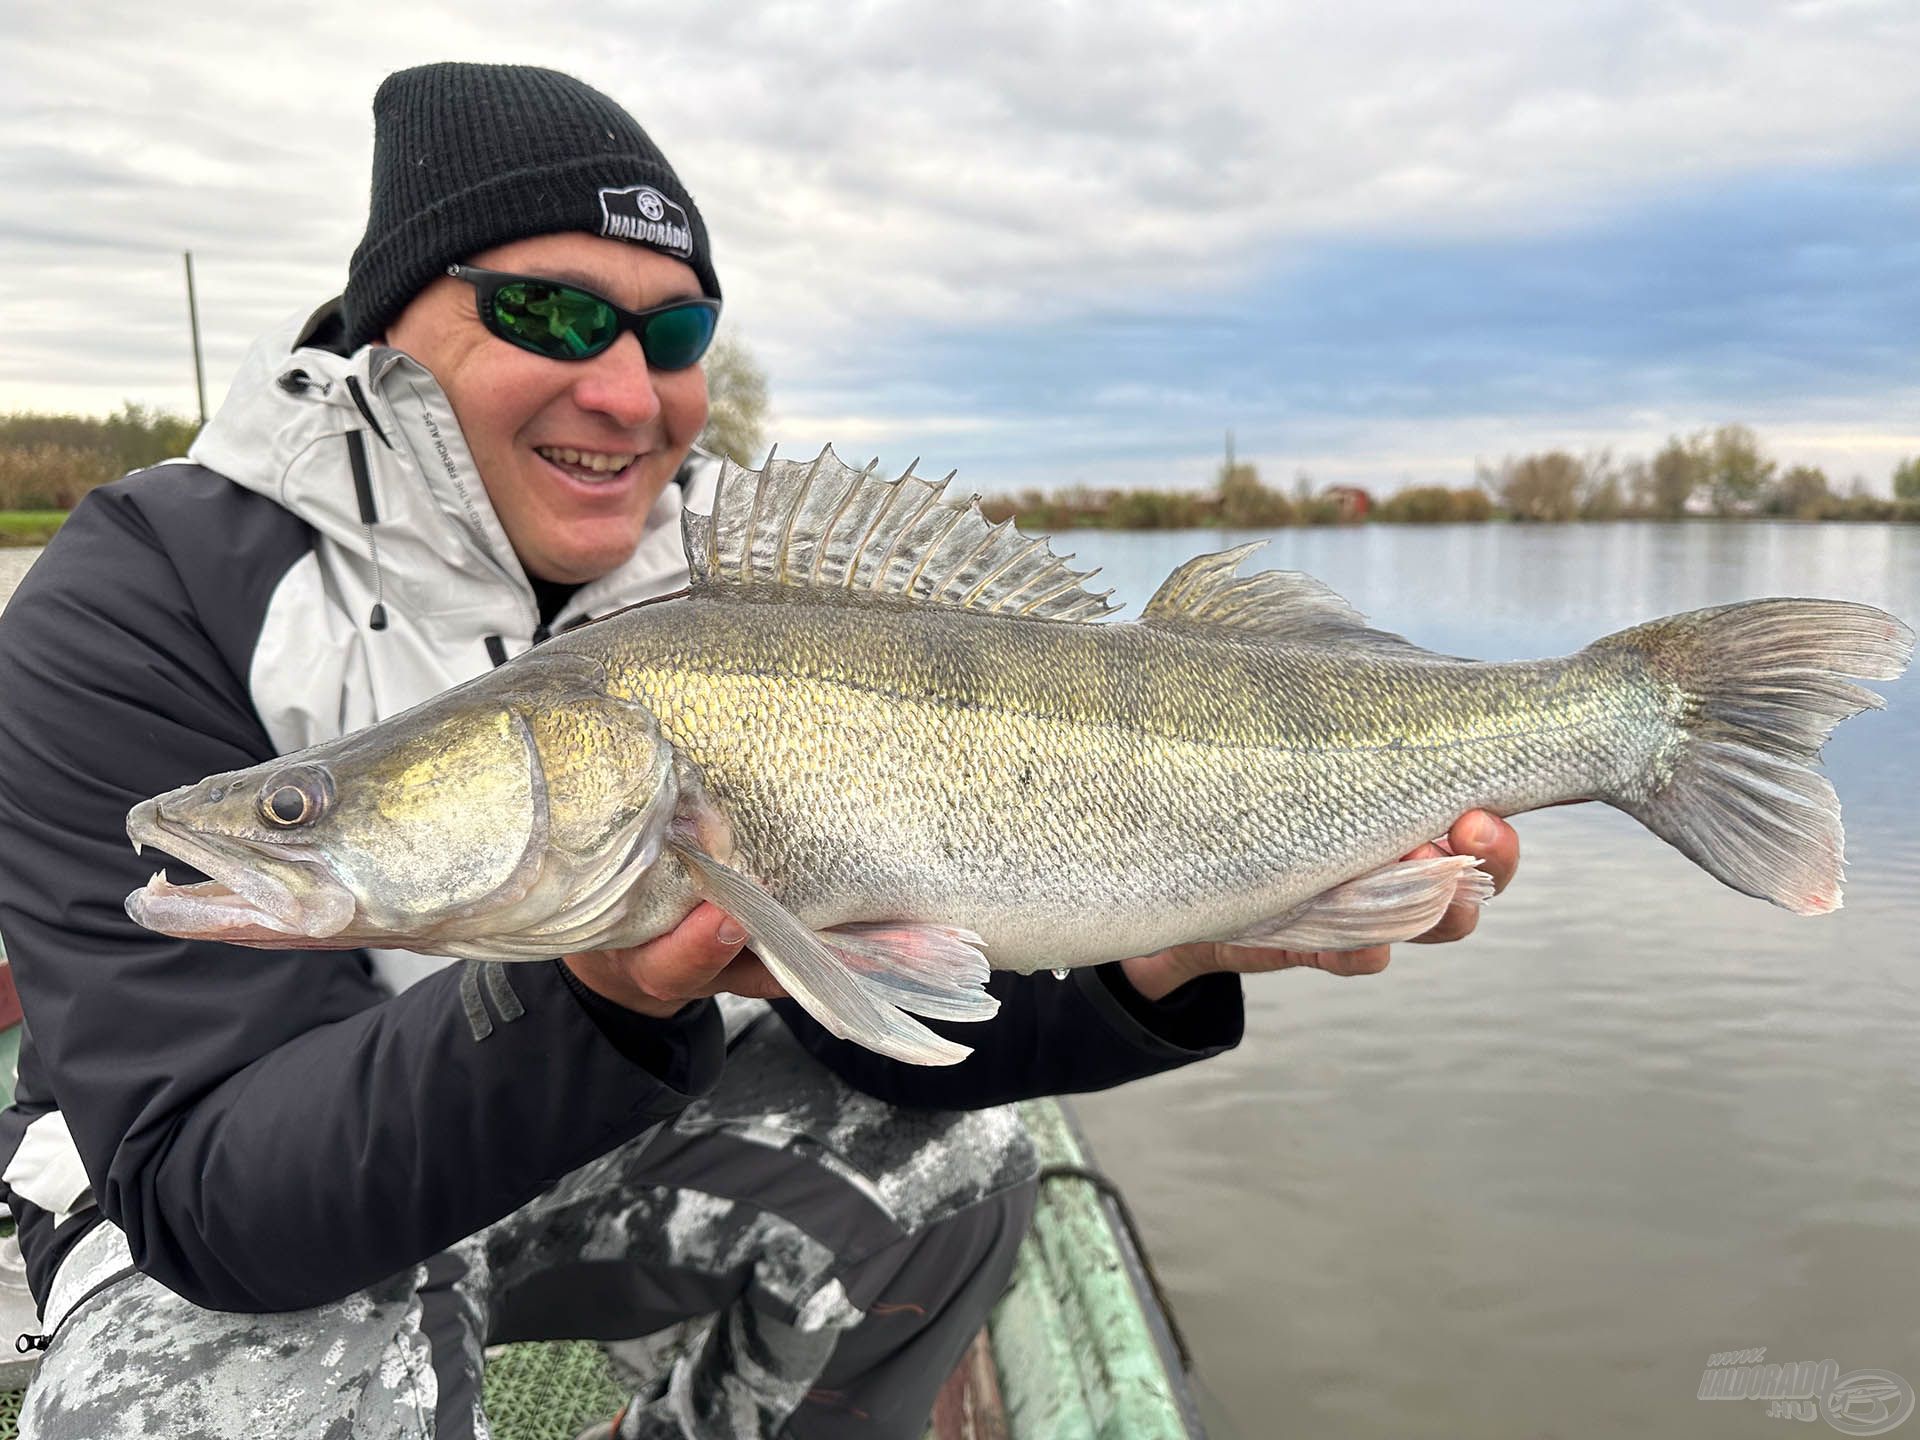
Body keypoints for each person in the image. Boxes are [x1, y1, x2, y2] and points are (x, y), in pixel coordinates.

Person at [0, 63, 1519, 1440]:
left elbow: (914, 1013)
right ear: (391, 321)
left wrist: (1177, 955)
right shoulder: (143, 595)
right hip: (223, 1237)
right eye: (548, 312)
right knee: (228, 1399)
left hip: (581, 1169)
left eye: (675, 332)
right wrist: (596, 995)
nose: (622, 384)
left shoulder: (721, 587)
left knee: (954, 1180)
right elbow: (214, 1197)